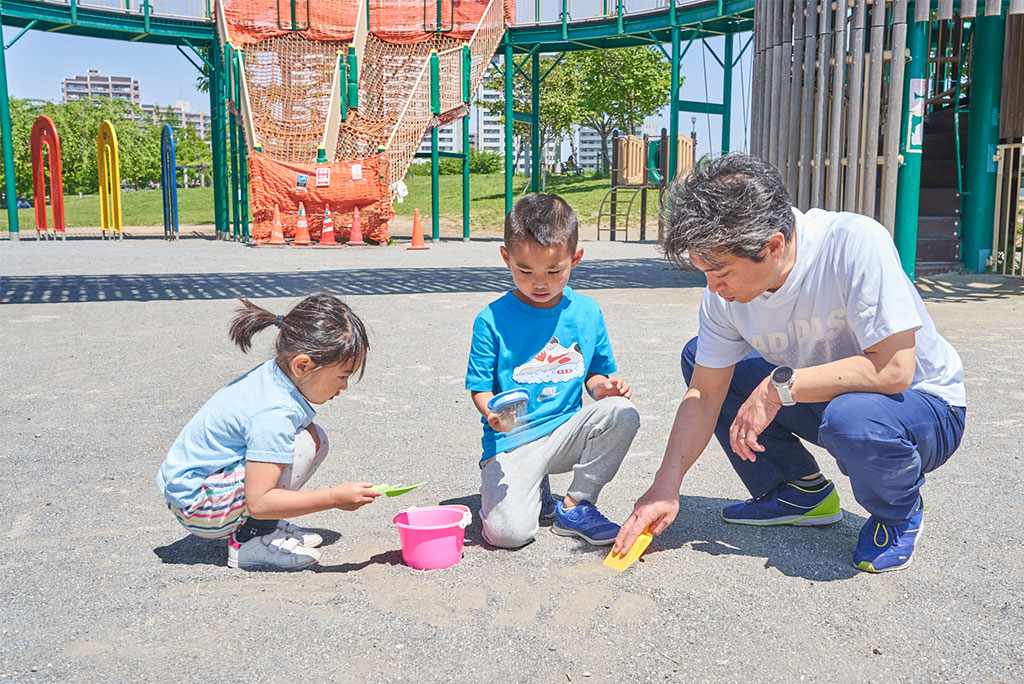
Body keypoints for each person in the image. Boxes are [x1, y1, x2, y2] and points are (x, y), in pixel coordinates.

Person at [614, 154, 966, 573]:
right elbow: (705, 395)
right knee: (701, 358)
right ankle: (797, 489)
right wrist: (664, 486)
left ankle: (899, 510)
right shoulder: (721, 295)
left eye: (721, 270)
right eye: (702, 269)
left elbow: (893, 370)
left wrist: (779, 387)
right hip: (831, 399)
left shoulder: (853, 243)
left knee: (850, 418)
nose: (712, 286)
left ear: (774, 245)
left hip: (921, 407)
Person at [157, 293, 381, 570]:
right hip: (200, 507)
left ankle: (266, 527)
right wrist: (334, 498)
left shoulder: (275, 375)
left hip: (203, 490)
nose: (344, 386)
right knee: (301, 445)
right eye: (342, 375)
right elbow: (260, 501)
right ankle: (252, 540)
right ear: (302, 365)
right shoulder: (273, 413)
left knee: (312, 438)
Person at [466, 193, 640, 548]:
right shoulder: (491, 319)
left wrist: (604, 388)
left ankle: (576, 506)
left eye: (554, 271)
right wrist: (491, 412)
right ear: (506, 258)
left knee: (622, 412)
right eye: (524, 270)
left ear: (574, 259)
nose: (539, 282)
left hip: (564, 431)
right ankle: (535, 491)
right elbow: (480, 387)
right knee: (508, 536)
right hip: (513, 440)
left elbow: (594, 373)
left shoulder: (588, 312)